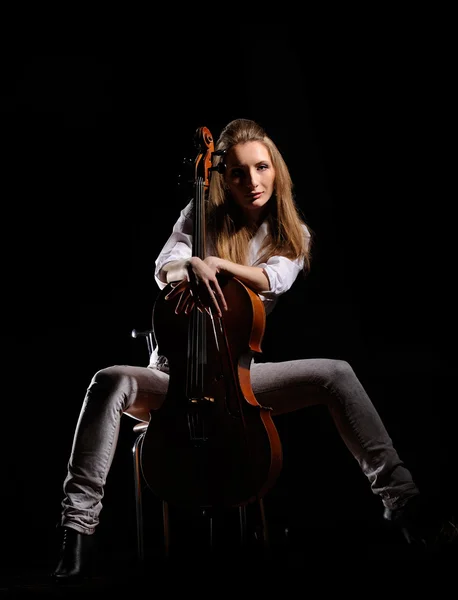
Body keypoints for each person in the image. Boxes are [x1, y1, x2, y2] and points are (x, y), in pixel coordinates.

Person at [52, 118, 456, 583]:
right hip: (170, 375)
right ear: (223, 177)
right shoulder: (199, 213)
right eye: (239, 172)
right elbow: (164, 268)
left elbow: (273, 279)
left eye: (261, 167)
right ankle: (76, 530)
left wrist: (215, 264)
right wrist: (189, 264)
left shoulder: (293, 234)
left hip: (236, 378)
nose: (252, 181)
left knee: (337, 373)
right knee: (110, 379)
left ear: (275, 170)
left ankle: (402, 501)